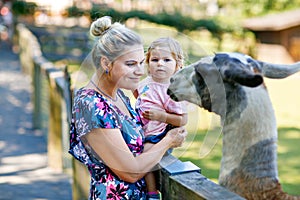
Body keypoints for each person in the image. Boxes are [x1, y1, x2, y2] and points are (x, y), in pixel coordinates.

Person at [68, 16, 187, 200]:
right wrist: (169, 141)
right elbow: (129, 171)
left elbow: (137, 151)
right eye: (131, 64)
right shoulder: (90, 105)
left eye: (141, 63)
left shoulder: (119, 95)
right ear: (106, 63)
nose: (140, 71)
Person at [134, 37, 188, 200]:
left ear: (177, 66)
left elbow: (182, 120)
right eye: (155, 60)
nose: (160, 64)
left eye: (166, 60)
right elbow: (138, 94)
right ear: (148, 63)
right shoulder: (146, 82)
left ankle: (152, 194)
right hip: (142, 131)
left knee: (144, 157)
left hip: (158, 136)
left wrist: (161, 116)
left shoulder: (172, 91)